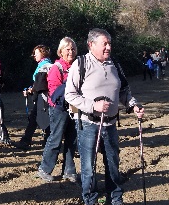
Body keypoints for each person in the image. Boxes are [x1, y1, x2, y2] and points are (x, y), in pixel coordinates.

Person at [65, 28, 145, 205]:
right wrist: (93, 106)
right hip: (88, 124)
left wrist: (134, 105)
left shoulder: (114, 64)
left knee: (113, 165)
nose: (108, 47)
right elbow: (69, 95)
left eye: (109, 43)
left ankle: (115, 199)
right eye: (105, 44)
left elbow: (124, 91)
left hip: (110, 124)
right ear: (91, 45)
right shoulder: (80, 64)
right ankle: (90, 200)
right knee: (88, 167)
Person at [37, 37, 78, 183]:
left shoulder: (77, 66)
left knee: (72, 139)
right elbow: (54, 92)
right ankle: (44, 169)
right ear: (61, 51)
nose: (71, 52)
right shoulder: (57, 68)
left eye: (73, 49)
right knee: (56, 138)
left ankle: (69, 170)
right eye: (68, 49)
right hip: (59, 109)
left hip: (74, 107)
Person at [14, 44, 52, 151]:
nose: (34, 56)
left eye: (36, 53)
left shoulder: (45, 66)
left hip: (43, 97)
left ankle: (28, 141)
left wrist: (31, 90)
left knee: (38, 118)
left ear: (43, 53)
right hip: (43, 96)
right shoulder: (45, 65)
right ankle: (33, 141)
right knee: (37, 118)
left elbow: (41, 84)